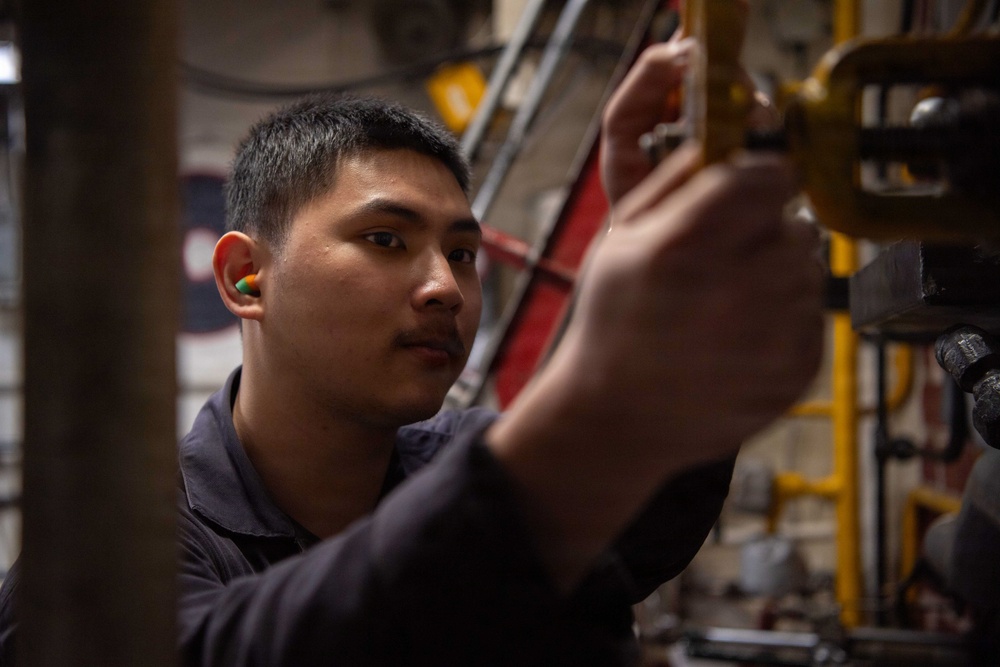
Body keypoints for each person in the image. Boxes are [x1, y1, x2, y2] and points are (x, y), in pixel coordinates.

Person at [0, 35, 823, 666]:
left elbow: (645, 518)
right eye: (386, 238)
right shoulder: (121, 545)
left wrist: (660, 267)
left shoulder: (471, 455)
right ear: (248, 277)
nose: (445, 288)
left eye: (461, 252)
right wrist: (581, 421)